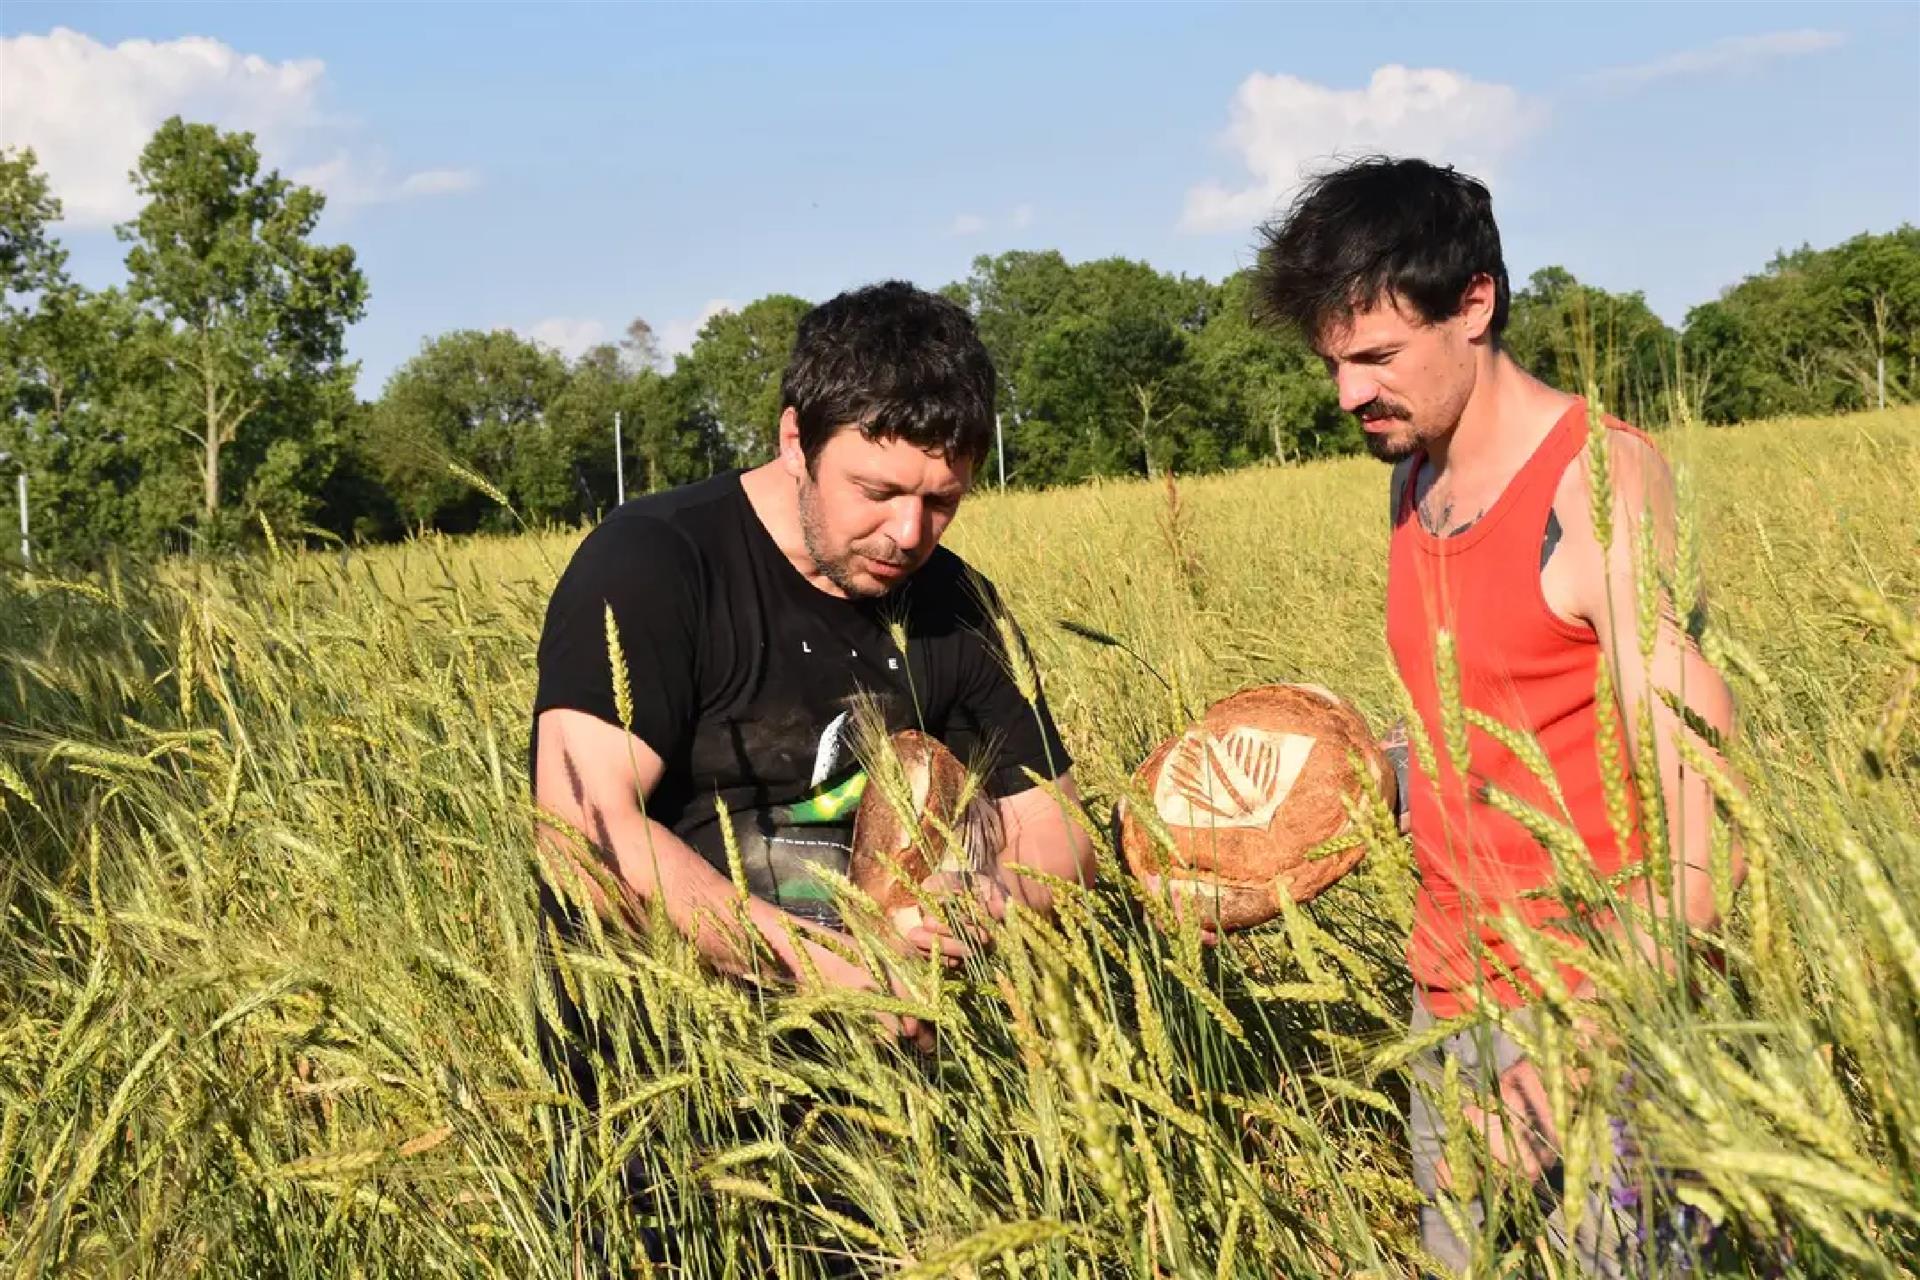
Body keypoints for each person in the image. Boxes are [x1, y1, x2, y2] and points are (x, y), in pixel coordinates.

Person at [1250, 157, 1743, 1275]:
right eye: (1333, 363)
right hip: (1448, 1005)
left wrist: (1595, 1041)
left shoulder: (1597, 483)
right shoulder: (1412, 479)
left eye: (1376, 357)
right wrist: (1323, 784)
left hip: (1600, 1017)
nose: (1346, 395)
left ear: (1475, 302)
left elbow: (1707, 787)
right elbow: (1469, 725)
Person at [528, 278, 1093, 1074]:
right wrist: (833, 974)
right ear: (796, 440)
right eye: (877, 491)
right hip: (672, 1074)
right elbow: (582, 834)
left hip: (893, 1104)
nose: (908, 533)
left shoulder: (956, 606)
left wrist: (987, 900)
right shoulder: (654, 563)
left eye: (943, 501)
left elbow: (1060, 830)